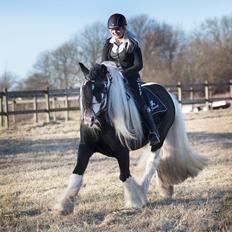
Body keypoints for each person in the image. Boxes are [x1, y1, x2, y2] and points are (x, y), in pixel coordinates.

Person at [102, 13, 160, 146]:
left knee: (139, 101)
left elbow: (139, 65)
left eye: (118, 29)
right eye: (112, 30)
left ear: (124, 28)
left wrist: (123, 74)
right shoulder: (108, 44)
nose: (115, 32)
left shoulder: (132, 43)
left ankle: (153, 131)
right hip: (113, 81)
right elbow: (103, 63)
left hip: (131, 79)